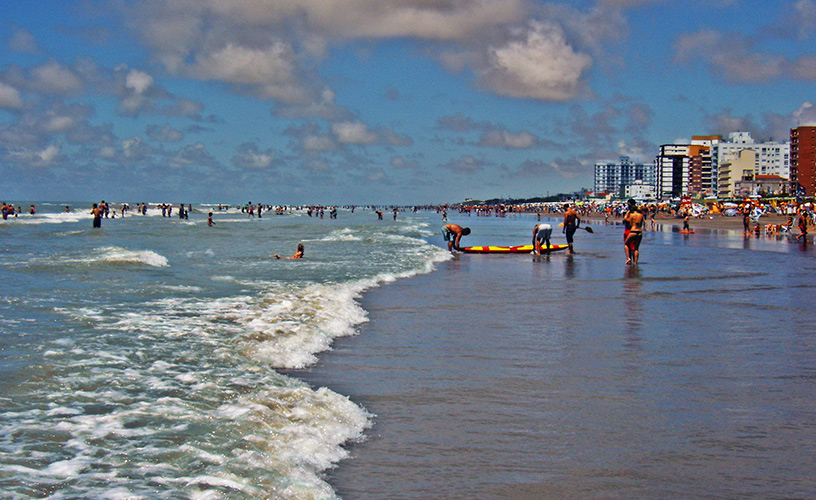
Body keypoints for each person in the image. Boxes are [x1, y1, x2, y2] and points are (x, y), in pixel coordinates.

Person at [623, 199, 644, 265]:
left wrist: (627, 214)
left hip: (633, 231)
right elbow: (641, 224)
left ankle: (628, 258)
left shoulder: (632, 215)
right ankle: (635, 263)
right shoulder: (641, 215)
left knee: (626, 244)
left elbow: (626, 220)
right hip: (639, 232)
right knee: (636, 248)